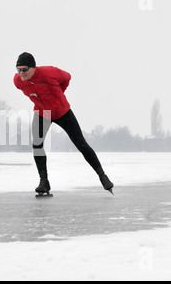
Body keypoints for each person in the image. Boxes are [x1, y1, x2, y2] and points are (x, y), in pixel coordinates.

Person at [13, 52, 114, 194]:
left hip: (62, 111)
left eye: (24, 69)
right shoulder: (18, 81)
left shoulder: (49, 73)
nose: (21, 73)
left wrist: (59, 94)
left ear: (33, 67)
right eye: (18, 69)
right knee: (37, 145)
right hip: (43, 112)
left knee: (81, 144)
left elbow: (67, 77)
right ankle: (44, 181)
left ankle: (103, 176)